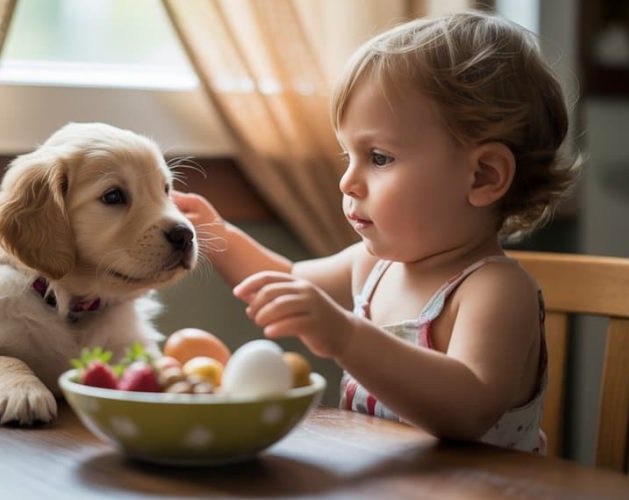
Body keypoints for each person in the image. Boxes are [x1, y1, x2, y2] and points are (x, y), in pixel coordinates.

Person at [172, 11, 579, 453]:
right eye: (348, 154)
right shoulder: (372, 266)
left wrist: (346, 336)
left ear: (482, 176)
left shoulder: (497, 290)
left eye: (379, 157)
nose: (348, 181)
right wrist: (220, 234)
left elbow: (469, 407)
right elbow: (285, 284)